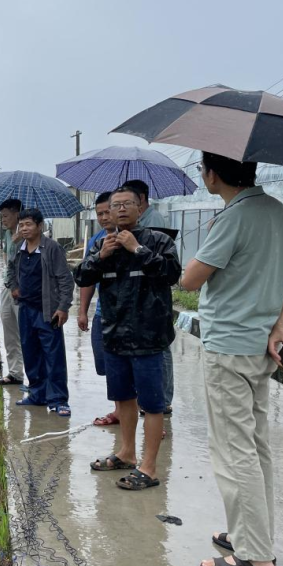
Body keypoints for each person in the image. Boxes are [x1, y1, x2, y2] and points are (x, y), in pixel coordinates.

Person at [180, 153, 283, 566]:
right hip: (259, 347)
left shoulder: (233, 218)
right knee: (256, 446)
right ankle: (250, 536)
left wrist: (212, 237)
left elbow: (190, 280)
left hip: (229, 348)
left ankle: (256, 560)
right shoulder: (281, 214)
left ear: (213, 174)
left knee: (235, 452)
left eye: (203, 170)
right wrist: (279, 323)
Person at [75, 187, 180, 490]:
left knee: (153, 404)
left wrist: (137, 249)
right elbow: (81, 276)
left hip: (148, 337)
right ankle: (126, 452)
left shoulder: (158, 241)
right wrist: (101, 256)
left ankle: (148, 467)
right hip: (115, 335)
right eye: (114, 206)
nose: (119, 210)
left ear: (139, 208)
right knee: (123, 398)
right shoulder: (103, 245)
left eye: (126, 205)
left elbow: (172, 274)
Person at [7, 208, 74, 416]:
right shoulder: (18, 247)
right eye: (22, 225)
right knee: (31, 353)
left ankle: (59, 399)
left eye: (28, 224)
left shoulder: (51, 248)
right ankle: (37, 394)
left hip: (47, 311)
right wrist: (13, 286)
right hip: (25, 308)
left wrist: (63, 307)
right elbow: (10, 268)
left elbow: (65, 279)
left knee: (53, 355)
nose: (24, 229)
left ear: (40, 226)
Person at [123, 178, 175, 417]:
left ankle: (162, 400)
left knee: (159, 350)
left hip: (153, 297)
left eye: (128, 201)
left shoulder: (153, 223)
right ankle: (153, 399)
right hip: (140, 297)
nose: (123, 208)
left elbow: (160, 266)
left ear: (141, 200)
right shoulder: (137, 224)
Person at [77, 191, 117, 424]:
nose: (103, 217)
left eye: (107, 212)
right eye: (99, 213)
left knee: (133, 367)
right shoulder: (96, 241)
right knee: (108, 367)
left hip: (129, 317)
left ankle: (150, 415)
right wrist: (83, 310)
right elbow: (87, 277)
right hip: (103, 313)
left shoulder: (134, 239)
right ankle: (119, 409)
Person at [0, 198, 24, 386]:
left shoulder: (27, 233)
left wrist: (19, 243)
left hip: (23, 290)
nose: (3, 220)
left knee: (26, 332)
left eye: (6, 216)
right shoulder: (8, 235)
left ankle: (37, 378)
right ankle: (15, 372)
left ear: (17, 214)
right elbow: (7, 261)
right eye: (1, 217)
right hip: (8, 287)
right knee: (9, 331)